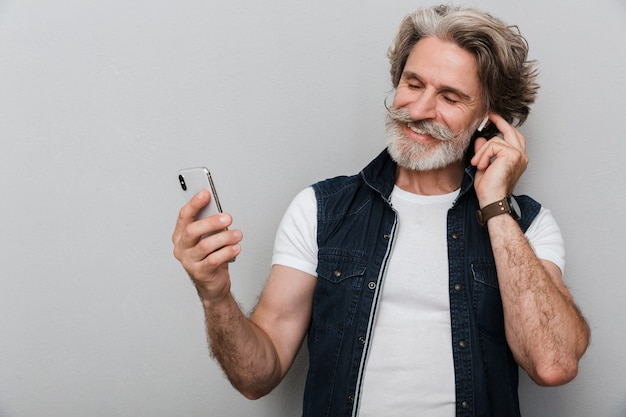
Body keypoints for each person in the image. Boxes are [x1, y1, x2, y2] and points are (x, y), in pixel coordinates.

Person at [172, 4, 590, 416]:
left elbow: (552, 364)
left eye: (450, 96)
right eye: (413, 83)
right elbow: (255, 378)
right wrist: (216, 297)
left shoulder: (528, 225)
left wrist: (496, 206)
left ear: (487, 118)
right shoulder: (321, 211)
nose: (420, 110)